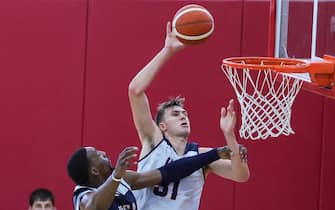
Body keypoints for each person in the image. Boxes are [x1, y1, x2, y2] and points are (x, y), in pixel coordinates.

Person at [128, 21, 250, 210]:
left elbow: (240, 175)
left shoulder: (202, 156)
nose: (183, 116)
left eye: (184, 113)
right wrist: (167, 51)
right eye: (175, 114)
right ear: (162, 126)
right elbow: (135, 91)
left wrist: (229, 134)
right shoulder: (153, 142)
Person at [67, 145, 233, 210]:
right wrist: (117, 175)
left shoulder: (124, 179)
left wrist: (213, 154)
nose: (103, 152)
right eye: (97, 154)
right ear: (94, 171)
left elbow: (167, 173)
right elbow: (94, 206)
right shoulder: (82, 195)